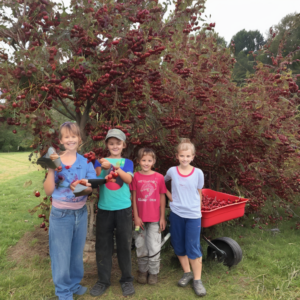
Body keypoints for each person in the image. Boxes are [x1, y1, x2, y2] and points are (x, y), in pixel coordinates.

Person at [43, 121, 97, 300]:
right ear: (61, 140)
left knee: (75, 253)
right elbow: (48, 191)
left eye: (73, 136)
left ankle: (73, 284)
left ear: (79, 139)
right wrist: (51, 171)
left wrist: (80, 189)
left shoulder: (85, 162)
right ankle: (63, 291)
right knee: (61, 254)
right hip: (61, 215)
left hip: (80, 213)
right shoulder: (55, 160)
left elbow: (91, 188)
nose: (70, 139)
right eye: (66, 137)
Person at [90, 129, 135, 297]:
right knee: (103, 246)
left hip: (123, 209)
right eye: (111, 143)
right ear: (107, 145)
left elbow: (128, 180)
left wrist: (114, 167)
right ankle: (103, 280)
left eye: (118, 143)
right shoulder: (100, 162)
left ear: (123, 145)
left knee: (124, 244)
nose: (115, 146)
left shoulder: (127, 162)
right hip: (105, 209)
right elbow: (94, 180)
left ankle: (127, 279)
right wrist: (100, 166)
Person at [164, 138, 206, 297]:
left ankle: (197, 280)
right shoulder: (172, 171)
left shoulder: (198, 173)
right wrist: (169, 195)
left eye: (188, 156)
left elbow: (199, 192)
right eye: (182, 156)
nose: (185, 159)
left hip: (193, 215)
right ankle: (187, 272)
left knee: (193, 247)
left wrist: (198, 209)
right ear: (177, 156)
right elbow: (162, 182)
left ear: (193, 157)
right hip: (176, 213)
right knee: (179, 244)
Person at [131, 148, 167, 285]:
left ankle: (153, 272)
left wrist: (162, 217)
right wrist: (136, 217)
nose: (146, 163)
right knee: (140, 245)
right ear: (139, 161)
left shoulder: (159, 177)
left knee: (154, 245)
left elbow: (162, 197)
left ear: (154, 161)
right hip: (139, 220)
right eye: (143, 160)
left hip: (154, 219)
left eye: (149, 160)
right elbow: (133, 198)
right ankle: (142, 271)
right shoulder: (135, 176)